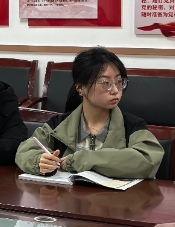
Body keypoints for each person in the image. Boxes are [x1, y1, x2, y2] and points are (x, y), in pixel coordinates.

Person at [16, 47, 163, 178]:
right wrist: (39, 161)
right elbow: (25, 150)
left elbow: (148, 160)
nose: (115, 90)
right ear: (81, 88)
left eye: (119, 82)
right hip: (67, 197)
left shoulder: (132, 126)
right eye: (105, 83)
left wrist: (84, 159)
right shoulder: (58, 125)